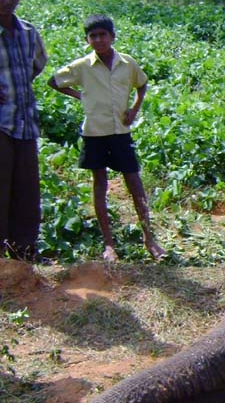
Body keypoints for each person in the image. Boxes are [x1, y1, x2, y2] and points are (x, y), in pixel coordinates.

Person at [48, 14, 165, 261]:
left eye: (103, 35)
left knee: (134, 182)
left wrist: (134, 108)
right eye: (93, 36)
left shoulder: (127, 63)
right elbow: (54, 81)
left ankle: (149, 239)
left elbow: (141, 84)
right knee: (99, 184)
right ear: (87, 40)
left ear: (112, 36)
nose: (98, 40)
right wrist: (80, 96)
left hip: (121, 132)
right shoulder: (82, 66)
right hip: (95, 133)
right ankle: (109, 244)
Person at [0, 0, 46, 262]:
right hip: (1, 122)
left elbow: (38, 63)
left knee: (27, 189)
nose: (7, 1)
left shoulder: (29, 32)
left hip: (26, 121)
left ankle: (24, 251)